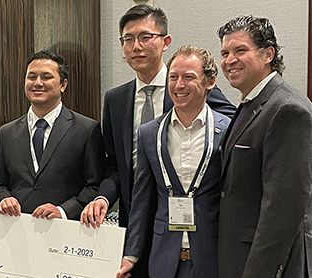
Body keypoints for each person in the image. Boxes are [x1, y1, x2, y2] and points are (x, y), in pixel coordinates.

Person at [80, 4, 235, 231]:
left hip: (185, 219)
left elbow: (234, 125)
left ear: (165, 42)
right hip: (134, 218)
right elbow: (115, 165)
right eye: (128, 39)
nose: (136, 47)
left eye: (145, 37)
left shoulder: (188, 87)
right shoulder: (115, 100)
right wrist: (103, 198)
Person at [116, 45, 229, 278]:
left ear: (210, 81)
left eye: (189, 77)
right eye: (173, 77)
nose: (179, 85)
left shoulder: (228, 131)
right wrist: (131, 254)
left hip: (213, 255)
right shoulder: (150, 133)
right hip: (163, 257)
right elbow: (142, 198)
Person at [217, 15, 312, 278]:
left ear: (268, 54)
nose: (229, 60)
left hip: (267, 266)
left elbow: (282, 210)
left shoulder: (287, 109)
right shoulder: (250, 105)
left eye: (240, 50)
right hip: (238, 257)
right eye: (225, 53)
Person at [0, 50, 106, 220]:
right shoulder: (7, 132)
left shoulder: (86, 129)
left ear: (63, 84)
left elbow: (95, 185)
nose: (37, 83)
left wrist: (63, 210)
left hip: (64, 233)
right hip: (16, 229)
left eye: (46, 77)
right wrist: (3, 198)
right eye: (31, 77)